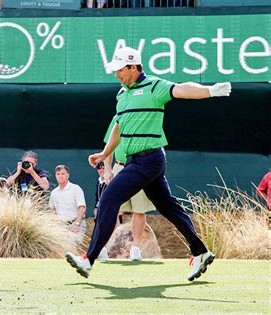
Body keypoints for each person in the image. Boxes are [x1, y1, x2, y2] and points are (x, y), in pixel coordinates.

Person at [65, 47, 231, 281]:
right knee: (168, 207)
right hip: (138, 160)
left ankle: (89, 259)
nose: (116, 74)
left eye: (120, 69)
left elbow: (182, 89)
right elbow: (119, 127)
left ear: (133, 67)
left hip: (149, 159)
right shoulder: (122, 94)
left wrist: (210, 91)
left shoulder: (154, 86)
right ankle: (200, 251)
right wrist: (104, 154)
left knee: (109, 199)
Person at [104, 117, 155, 261]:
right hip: (119, 167)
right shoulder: (117, 118)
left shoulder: (145, 118)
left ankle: (135, 249)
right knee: (112, 208)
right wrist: (108, 169)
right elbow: (109, 146)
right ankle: (104, 246)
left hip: (139, 168)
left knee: (139, 210)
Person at [49, 165, 87, 245]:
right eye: (58, 174)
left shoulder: (76, 189)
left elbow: (82, 208)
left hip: (76, 224)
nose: (60, 176)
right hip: (61, 226)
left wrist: (77, 223)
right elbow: (52, 210)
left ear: (68, 175)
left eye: (63, 174)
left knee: (70, 245)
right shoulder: (54, 192)